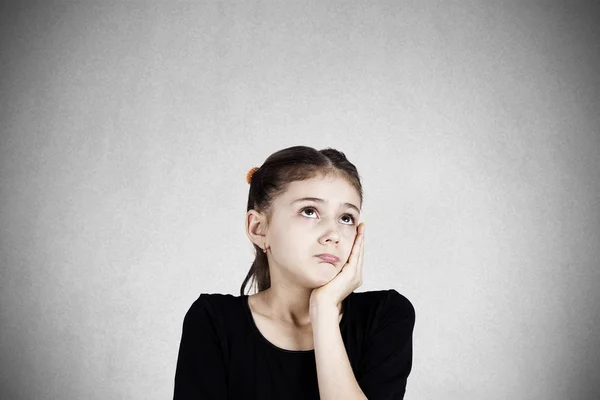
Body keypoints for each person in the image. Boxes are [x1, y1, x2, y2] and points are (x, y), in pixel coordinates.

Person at [173, 145, 415, 399]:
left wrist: (323, 310)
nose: (333, 234)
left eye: (346, 218)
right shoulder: (213, 321)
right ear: (258, 228)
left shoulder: (386, 315)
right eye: (309, 211)